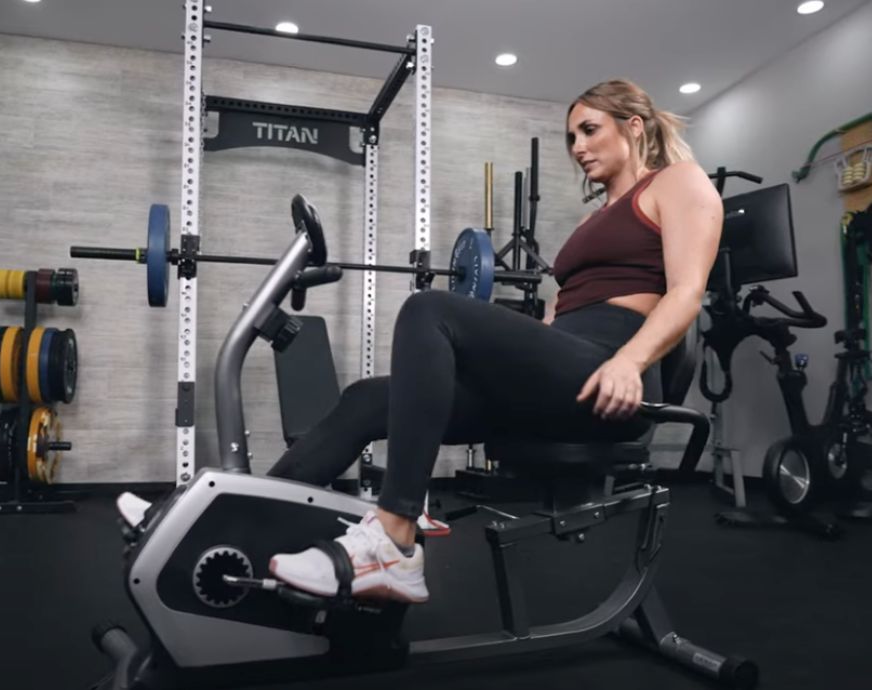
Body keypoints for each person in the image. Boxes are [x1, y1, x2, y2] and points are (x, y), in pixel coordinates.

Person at [266, 79, 723, 604]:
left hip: (609, 371)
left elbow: (688, 293)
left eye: (589, 130)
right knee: (368, 398)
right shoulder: (593, 218)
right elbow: (561, 313)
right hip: (559, 374)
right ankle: (239, 521)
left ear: (634, 127)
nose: (577, 146)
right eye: (570, 136)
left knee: (429, 307)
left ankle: (394, 538)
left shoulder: (676, 183)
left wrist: (629, 361)